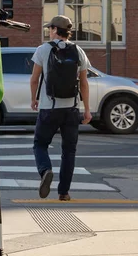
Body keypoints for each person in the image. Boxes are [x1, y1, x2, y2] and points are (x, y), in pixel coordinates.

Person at [29, 15, 91, 201]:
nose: (49, 31)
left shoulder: (43, 50)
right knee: (69, 151)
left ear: (56, 30)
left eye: (50, 28)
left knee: (40, 144)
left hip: (49, 107)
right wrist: (87, 109)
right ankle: (64, 192)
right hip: (71, 109)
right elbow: (84, 83)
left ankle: (45, 170)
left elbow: (34, 79)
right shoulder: (78, 50)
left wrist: (34, 99)